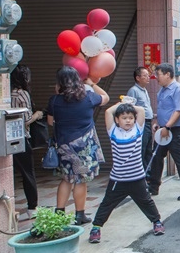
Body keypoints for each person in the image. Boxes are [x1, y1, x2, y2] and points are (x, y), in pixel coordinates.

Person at [88, 101, 165, 243]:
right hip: (118, 180)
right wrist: (121, 104)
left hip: (137, 178)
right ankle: (96, 228)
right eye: (124, 117)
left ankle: (157, 223)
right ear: (117, 120)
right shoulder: (113, 131)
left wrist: (129, 105)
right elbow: (107, 112)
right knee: (107, 204)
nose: (128, 120)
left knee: (146, 202)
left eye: (130, 117)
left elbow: (141, 110)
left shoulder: (138, 130)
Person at [47, 66, 109, 225]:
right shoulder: (88, 97)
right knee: (81, 180)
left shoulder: (54, 101)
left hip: (64, 145)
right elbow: (105, 97)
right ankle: (80, 215)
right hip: (84, 147)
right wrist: (91, 83)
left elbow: (50, 122)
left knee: (66, 179)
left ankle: (59, 214)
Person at [148, 63, 180, 201]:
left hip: (175, 129)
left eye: (158, 74)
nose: (156, 78)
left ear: (167, 74)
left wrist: (167, 126)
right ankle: (153, 187)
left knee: (179, 158)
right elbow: (163, 110)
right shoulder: (162, 90)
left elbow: (179, 110)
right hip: (163, 129)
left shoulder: (178, 89)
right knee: (156, 157)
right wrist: (159, 124)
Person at [10, 64, 42, 221]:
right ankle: (32, 207)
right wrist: (38, 114)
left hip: (8, 137)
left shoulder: (8, 93)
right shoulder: (22, 94)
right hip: (21, 137)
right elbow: (26, 120)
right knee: (28, 173)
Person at [126, 66, 154, 175]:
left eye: (148, 75)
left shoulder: (144, 90)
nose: (148, 77)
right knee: (142, 149)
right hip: (140, 124)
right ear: (138, 78)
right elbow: (129, 108)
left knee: (148, 150)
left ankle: (147, 174)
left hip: (148, 122)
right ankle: (140, 174)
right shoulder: (133, 90)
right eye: (145, 75)